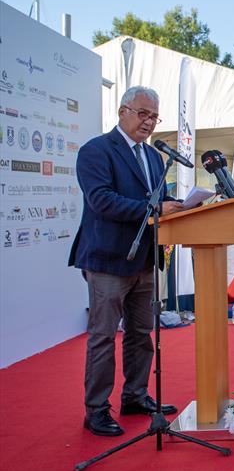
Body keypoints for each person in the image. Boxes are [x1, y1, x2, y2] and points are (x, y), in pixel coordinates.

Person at [70, 86, 183, 436]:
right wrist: (154, 210)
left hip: (145, 259)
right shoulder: (96, 150)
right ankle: (97, 410)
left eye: (154, 116)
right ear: (123, 112)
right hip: (107, 259)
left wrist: (185, 205)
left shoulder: (152, 157)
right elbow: (102, 200)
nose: (149, 122)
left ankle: (134, 395)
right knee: (103, 337)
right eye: (143, 113)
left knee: (140, 333)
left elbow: (159, 199)